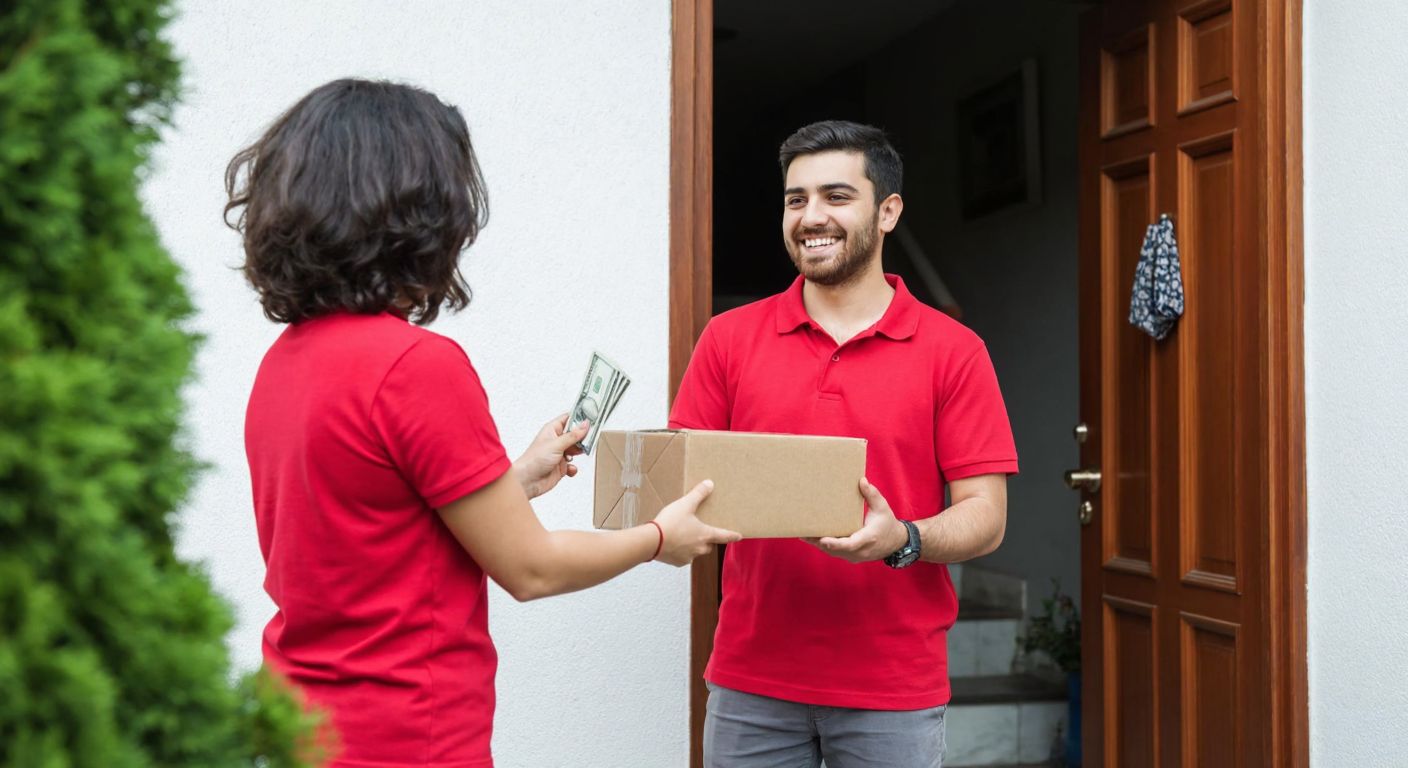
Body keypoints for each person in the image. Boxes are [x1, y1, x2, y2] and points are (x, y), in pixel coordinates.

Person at [225, 78, 740, 768]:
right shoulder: (415, 365)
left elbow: (370, 522)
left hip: (298, 725)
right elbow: (531, 568)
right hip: (407, 739)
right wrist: (657, 538)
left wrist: (514, 479)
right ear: (418, 214)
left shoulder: (283, 363)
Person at [669, 120, 1019, 768]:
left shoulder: (955, 351)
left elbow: (986, 517)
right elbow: (681, 484)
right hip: (752, 683)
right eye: (795, 199)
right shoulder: (727, 338)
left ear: (888, 212)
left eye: (836, 196)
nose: (811, 217)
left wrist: (904, 539)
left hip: (893, 689)